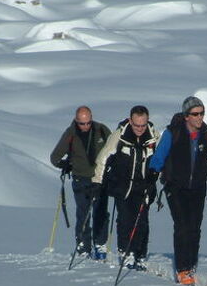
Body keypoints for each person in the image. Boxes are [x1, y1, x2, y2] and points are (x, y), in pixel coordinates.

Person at [148, 95, 207, 286]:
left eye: (202, 113)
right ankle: (182, 269)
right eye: (195, 114)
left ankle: (191, 265)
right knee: (182, 226)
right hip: (175, 186)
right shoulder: (173, 133)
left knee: (195, 227)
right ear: (186, 116)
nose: (199, 117)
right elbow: (158, 157)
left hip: (198, 187)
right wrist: (152, 173)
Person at [93, 105, 160, 271]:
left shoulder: (153, 137)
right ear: (130, 121)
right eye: (136, 125)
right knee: (124, 220)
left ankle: (140, 255)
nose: (139, 129)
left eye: (143, 125)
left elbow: (162, 160)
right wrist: (97, 182)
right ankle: (125, 253)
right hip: (122, 185)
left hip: (144, 185)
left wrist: (158, 179)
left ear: (147, 121)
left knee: (142, 222)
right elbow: (103, 158)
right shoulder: (120, 135)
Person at [50, 106, 111, 259]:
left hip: (100, 178)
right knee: (83, 214)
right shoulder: (70, 133)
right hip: (80, 179)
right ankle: (83, 246)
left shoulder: (102, 130)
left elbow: (113, 150)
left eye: (88, 123)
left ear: (91, 119)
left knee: (101, 212)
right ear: (76, 121)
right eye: (81, 123)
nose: (85, 126)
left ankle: (100, 245)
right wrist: (66, 165)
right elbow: (55, 157)